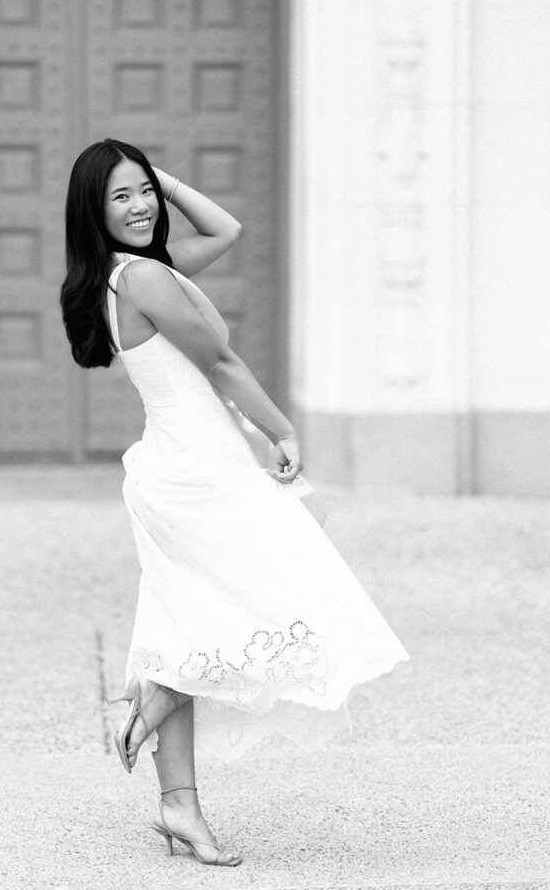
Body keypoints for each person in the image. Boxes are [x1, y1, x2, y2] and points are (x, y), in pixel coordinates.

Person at [60, 138, 409, 867]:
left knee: (182, 622)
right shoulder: (143, 279)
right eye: (120, 196)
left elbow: (227, 230)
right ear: (93, 212)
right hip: (198, 472)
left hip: (185, 465)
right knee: (286, 584)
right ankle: (161, 691)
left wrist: (162, 180)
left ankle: (178, 804)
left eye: (144, 190)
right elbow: (220, 362)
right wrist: (282, 428)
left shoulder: (137, 271)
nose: (140, 205)